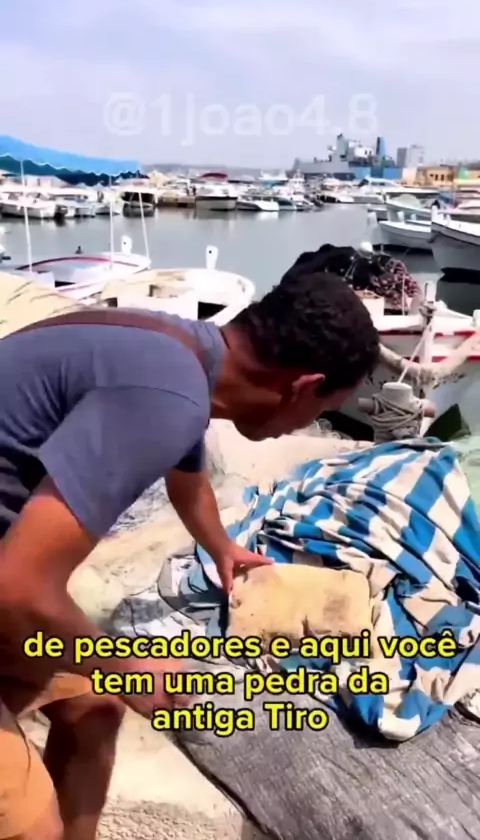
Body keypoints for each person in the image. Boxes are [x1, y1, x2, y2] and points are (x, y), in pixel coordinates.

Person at [0, 269, 379, 840]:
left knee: (95, 708)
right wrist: (129, 668)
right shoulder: (168, 397)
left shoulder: (181, 355)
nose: (310, 424)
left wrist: (221, 547)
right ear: (305, 386)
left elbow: (187, 473)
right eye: (325, 407)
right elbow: (18, 588)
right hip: (9, 581)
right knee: (30, 823)